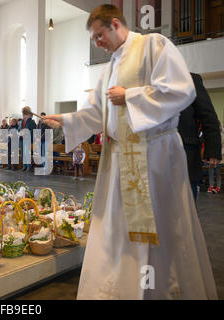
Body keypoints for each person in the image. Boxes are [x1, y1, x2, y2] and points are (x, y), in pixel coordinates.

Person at [44, 4, 217, 300]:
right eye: (94, 39)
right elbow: (98, 111)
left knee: (161, 227)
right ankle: (124, 288)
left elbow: (182, 90)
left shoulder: (153, 46)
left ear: (115, 23)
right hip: (120, 161)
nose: (97, 43)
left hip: (155, 156)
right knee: (117, 229)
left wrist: (131, 96)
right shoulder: (110, 67)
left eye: (99, 36)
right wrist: (68, 120)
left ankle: (158, 288)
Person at [177, 73, 222, 201]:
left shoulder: (190, 79)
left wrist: (213, 149)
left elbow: (208, 115)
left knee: (187, 207)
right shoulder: (147, 80)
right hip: (155, 153)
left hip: (186, 152)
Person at [19, 107, 36, 172]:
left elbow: (32, 131)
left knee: (27, 153)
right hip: (21, 139)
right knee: (23, 153)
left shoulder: (32, 122)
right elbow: (19, 129)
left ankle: (29, 166)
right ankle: (24, 166)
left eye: (25, 114)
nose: (23, 115)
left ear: (28, 115)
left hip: (28, 140)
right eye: (23, 114)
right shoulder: (21, 122)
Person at [207, 122, 223, 194]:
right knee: (210, 171)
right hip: (212, 156)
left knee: (217, 172)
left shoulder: (222, 135)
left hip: (220, 156)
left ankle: (218, 187)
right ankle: (211, 186)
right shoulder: (212, 135)